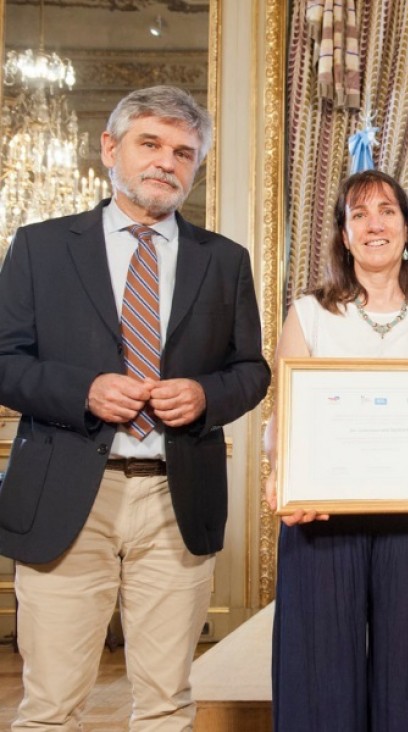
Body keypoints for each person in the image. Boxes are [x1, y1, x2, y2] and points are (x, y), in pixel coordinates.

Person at [0, 86, 270, 730]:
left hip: (176, 500)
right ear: (109, 149)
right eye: (150, 144)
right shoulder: (40, 248)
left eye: (184, 152)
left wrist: (206, 395)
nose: (166, 162)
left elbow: (251, 371)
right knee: (51, 706)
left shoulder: (224, 260)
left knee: (167, 703)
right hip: (68, 497)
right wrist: (83, 391)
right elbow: (4, 360)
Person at [265, 169, 408, 731]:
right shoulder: (309, 313)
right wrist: (281, 474)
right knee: (319, 675)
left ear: (407, 228)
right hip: (321, 516)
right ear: (343, 234)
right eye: (358, 214)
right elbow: (284, 419)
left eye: (386, 210)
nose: (374, 224)